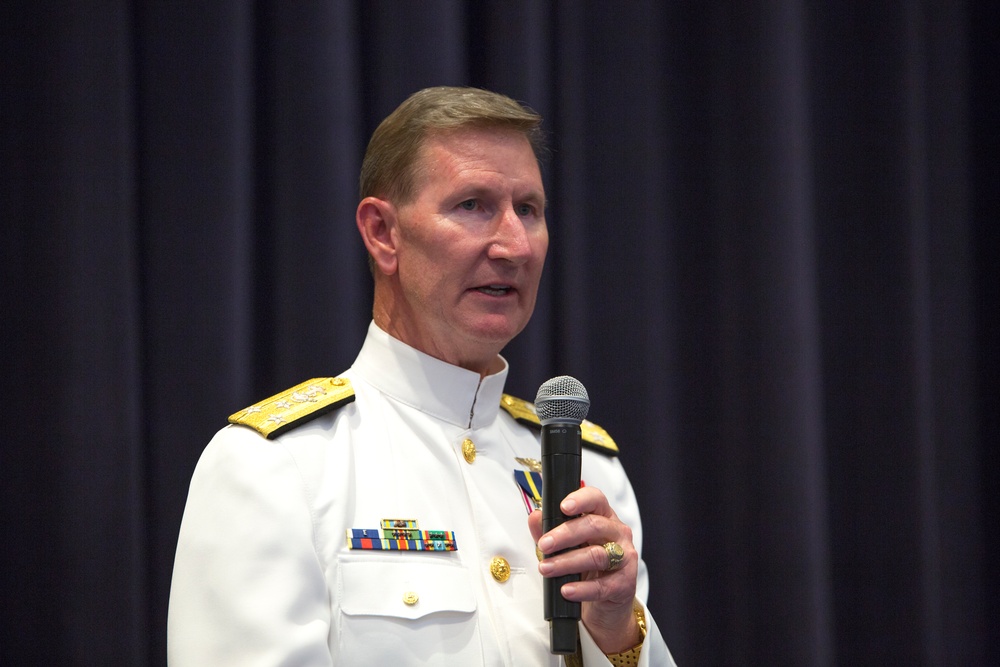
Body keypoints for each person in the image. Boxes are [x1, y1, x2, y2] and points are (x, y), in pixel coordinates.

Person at [167, 86, 677, 666]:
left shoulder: (590, 469)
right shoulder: (277, 467)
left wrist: (616, 631)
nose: (514, 245)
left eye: (529, 209)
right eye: (473, 205)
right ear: (383, 233)